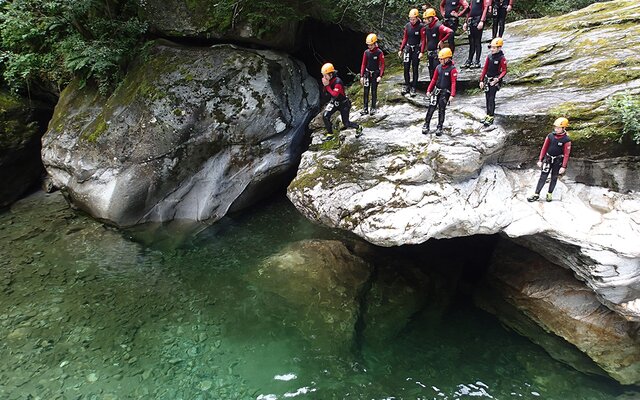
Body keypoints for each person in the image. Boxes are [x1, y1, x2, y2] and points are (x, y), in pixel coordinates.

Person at [527, 118, 572, 202]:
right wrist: (540, 159)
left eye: (558, 128)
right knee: (543, 176)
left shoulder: (566, 140)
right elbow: (544, 148)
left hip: (557, 161)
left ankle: (549, 193)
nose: (556, 129)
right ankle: (536, 194)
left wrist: (563, 166)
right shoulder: (550, 136)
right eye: (555, 127)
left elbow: (566, 154)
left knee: (554, 177)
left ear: (563, 128)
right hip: (548, 159)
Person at [321, 63, 362, 141]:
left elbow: (334, 95)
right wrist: (325, 86)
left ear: (331, 74)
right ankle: (330, 134)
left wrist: (327, 86)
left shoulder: (338, 82)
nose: (324, 77)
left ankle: (358, 127)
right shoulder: (328, 80)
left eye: (325, 75)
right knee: (325, 116)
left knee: (346, 123)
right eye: (323, 75)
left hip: (344, 104)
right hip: (335, 102)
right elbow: (326, 93)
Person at [422, 47, 458, 136]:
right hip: (436, 90)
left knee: (442, 109)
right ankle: (426, 124)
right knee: (431, 108)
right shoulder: (438, 67)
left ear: (448, 58)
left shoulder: (452, 69)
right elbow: (434, 80)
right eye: (440, 59)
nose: (440, 61)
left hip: (445, 92)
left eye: (442, 59)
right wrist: (429, 90)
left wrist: (452, 95)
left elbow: (453, 82)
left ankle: (440, 126)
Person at [479, 37, 507, 126]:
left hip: (495, 80)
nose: (492, 49)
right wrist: (481, 80)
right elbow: (485, 68)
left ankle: (491, 116)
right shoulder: (489, 56)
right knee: (487, 97)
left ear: (499, 48)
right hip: (488, 79)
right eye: (491, 47)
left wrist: (498, 79)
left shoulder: (502, 58)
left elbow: (504, 70)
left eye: (494, 48)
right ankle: (487, 114)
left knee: (492, 98)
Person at [398, 9, 426, 96]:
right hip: (408, 48)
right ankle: (407, 85)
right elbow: (405, 38)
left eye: (413, 19)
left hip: (416, 49)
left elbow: (423, 39)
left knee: (415, 68)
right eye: (410, 19)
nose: (412, 21)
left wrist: (421, 51)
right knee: (406, 67)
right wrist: (401, 49)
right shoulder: (407, 26)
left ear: (417, 18)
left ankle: (414, 86)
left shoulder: (421, 26)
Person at [423, 8, 453, 81]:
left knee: (437, 70)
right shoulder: (427, 27)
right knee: (431, 70)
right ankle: (432, 87)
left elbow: (450, 32)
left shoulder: (438, 26)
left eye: (426, 19)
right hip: (430, 52)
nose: (424, 20)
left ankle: (440, 86)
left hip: (437, 53)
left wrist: (442, 40)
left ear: (430, 18)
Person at [360, 33, 385, 115]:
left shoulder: (379, 52)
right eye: (368, 45)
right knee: (366, 91)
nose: (369, 47)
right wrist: (361, 76)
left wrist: (380, 76)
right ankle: (365, 108)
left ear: (375, 43)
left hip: (375, 74)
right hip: (367, 73)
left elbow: (382, 65)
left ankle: (373, 107)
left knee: (374, 91)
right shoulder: (366, 52)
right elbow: (363, 64)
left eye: (371, 45)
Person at [462, 0, 489, 68]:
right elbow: (470, 10)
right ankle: (469, 60)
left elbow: (486, 8)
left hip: (478, 19)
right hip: (471, 20)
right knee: (471, 41)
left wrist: (482, 21)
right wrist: (466, 22)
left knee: (477, 41)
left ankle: (477, 61)